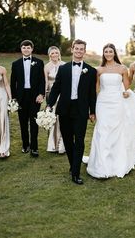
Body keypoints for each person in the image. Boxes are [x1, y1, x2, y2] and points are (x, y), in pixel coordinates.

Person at [85, 43, 135, 179]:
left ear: (114, 53)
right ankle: (101, 164)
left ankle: (116, 161)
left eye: (110, 51)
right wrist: (92, 106)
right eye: (106, 51)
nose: (108, 54)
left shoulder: (122, 68)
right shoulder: (99, 70)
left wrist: (126, 93)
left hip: (117, 102)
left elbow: (126, 87)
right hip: (103, 102)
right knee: (102, 130)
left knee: (117, 130)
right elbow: (96, 89)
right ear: (103, 54)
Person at [47, 39, 96, 185]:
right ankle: (73, 164)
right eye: (77, 48)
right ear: (72, 49)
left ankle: (75, 173)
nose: (79, 51)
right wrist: (49, 105)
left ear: (84, 51)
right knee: (68, 140)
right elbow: (55, 88)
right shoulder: (64, 69)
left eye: (82, 49)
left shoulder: (91, 71)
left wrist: (92, 111)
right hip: (64, 109)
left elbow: (92, 94)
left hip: (81, 110)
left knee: (79, 141)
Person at [10, 40, 45, 157]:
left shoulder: (39, 62)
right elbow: (12, 83)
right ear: (21, 49)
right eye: (24, 47)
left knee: (34, 121)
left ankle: (34, 148)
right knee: (23, 122)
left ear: (32, 49)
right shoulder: (16, 64)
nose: (26, 49)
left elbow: (42, 80)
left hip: (34, 96)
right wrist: (14, 99)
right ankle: (25, 145)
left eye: (28, 47)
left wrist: (41, 94)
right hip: (21, 97)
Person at [44, 46, 65, 154]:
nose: (55, 55)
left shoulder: (64, 65)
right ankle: (52, 145)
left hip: (62, 95)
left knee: (62, 119)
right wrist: (44, 95)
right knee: (52, 119)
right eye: (52, 53)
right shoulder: (47, 67)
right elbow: (46, 82)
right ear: (49, 55)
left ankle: (62, 146)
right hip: (51, 95)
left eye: (56, 52)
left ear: (59, 53)